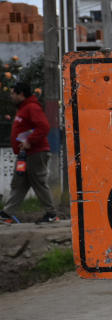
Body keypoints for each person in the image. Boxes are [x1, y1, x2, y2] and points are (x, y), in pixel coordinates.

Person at [0, 82, 60, 224]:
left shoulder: (32, 107)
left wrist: (29, 142)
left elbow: (44, 126)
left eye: (13, 93)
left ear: (21, 94)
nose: (11, 96)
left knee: (39, 182)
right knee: (19, 183)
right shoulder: (23, 109)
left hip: (35, 153)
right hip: (24, 155)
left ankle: (51, 214)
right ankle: (6, 215)